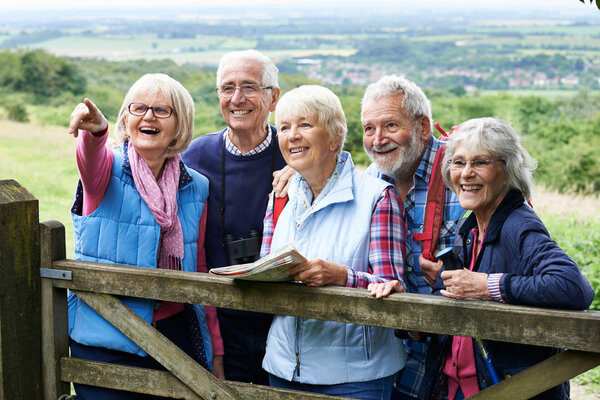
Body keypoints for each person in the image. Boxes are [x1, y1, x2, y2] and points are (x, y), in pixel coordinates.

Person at [372, 117, 595, 400]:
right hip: (458, 389)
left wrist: (486, 285)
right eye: (458, 162)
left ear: (507, 170)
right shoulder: (470, 229)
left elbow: (574, 287)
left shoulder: (518, 224)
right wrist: (419, 324)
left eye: (480, 163)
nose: (466, 173)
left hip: (509, 389)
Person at [67, 73, 223, 399]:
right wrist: (96, 131)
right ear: (126, 117)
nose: (148, 116)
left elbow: (200, 269)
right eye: (138, 108)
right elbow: (90, 157)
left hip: (174, 336)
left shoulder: (197, 186)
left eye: (162, 110)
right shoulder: (106, 170)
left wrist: (215, 349)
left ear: (180, 126)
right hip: (105, 336)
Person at [260, 85, 406, 399]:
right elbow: (266, 267)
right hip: (283, 369)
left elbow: (392, 286)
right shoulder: (280, 196)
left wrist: (342, 277)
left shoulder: (377, 197)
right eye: (284, 127)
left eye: (305, 124)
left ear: (335, 136)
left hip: (356, 379)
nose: (293, 135)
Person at [182, 49, 285, 384]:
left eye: (249, 87)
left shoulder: (295, 153)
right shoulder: (196, 155)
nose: (237, 98)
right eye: (227, 88)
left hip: (287, 319)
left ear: (273, 97)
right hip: (221, 321)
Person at [361, 75, 465, 399]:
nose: (378, 140)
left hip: (460, 361)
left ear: (423, 127)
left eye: (391, 125)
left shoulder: (462, 175)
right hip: (394, 362)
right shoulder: (367, 184)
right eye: (368, 129)